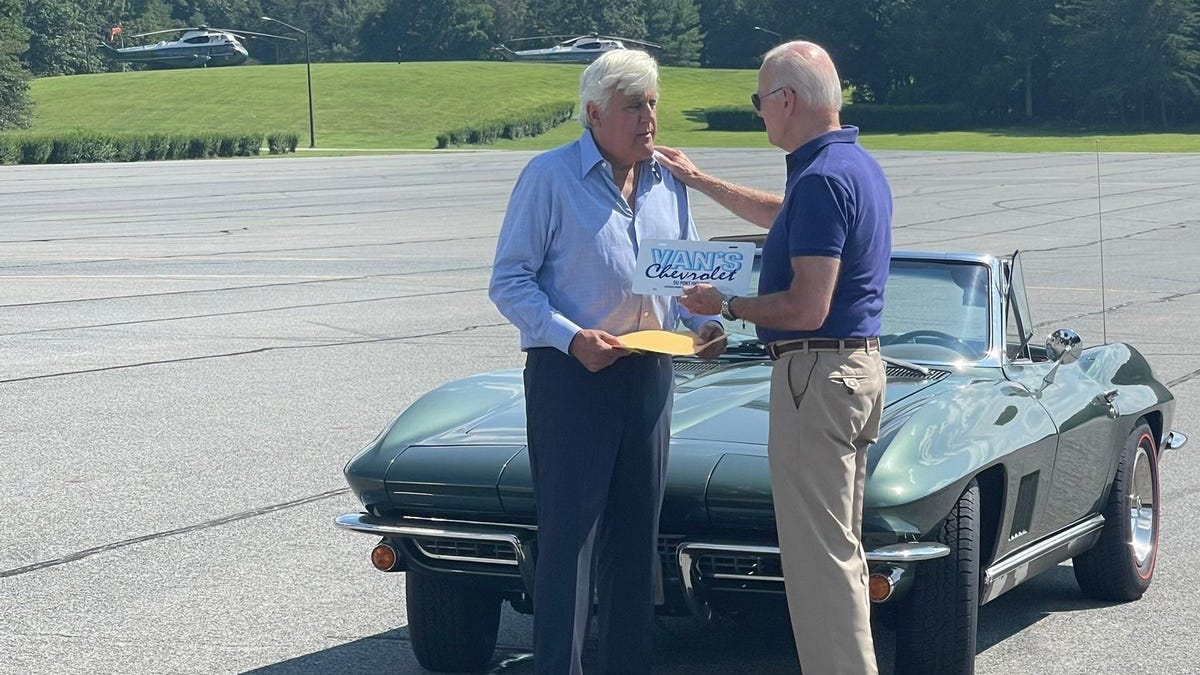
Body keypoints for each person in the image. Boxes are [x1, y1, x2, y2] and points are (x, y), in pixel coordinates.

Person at [489, 49, 725, 675]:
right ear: (594, 113)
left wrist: (704, 324)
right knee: (570, 546)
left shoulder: (668, 180)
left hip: (649, 377)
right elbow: (509, 282)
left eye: (653, 104)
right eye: (633, 107)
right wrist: (571, 338)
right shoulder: (549, 177)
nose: (649, 119)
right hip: (573, 380)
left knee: (634, 546)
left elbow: (683, 278)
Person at [662, 40, 892, 675]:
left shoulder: (820, 178)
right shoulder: (848, 165)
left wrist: (727, 305)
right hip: (853, 372)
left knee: (818, 560)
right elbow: (787, 217)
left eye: (760, 100)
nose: (760, 111)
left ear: (785, 100)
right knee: (838, 549)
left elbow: (806, 306)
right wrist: (700, 180)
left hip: (815, 372)